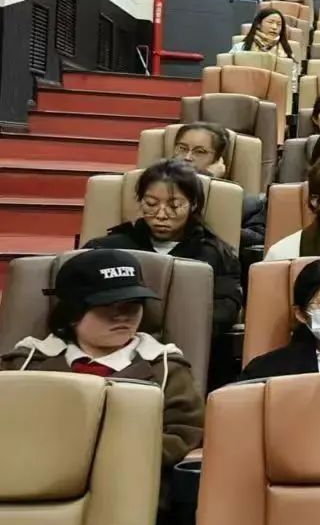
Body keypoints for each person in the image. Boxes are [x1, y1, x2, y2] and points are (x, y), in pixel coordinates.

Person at [0, 249, 202, 466]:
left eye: (132, 305)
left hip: (130, 478)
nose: (122, 316)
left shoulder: (167, 369)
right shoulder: (24, 364)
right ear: (72, 314)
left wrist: (106, 457)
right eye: (106, 306)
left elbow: (183, 433)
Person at [85, 160, 242, 335]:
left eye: (174, 206)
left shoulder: (218, 255)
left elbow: (225, 311)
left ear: (194, 205)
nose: (161, 215)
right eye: (151, 204)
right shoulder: (104, 249)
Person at [171, 121, 266, 251]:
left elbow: (258, 240)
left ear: (218, 160)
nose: (187, 157)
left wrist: (208, 179)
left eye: (199, 151)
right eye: (182, 148)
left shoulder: (248, 203)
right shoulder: (152, 189)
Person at [230, 6, 296, 88]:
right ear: (258, 24)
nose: (274, 27)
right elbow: (229, 75)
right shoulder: (240, 48)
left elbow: (292, 85)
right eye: (270, 22)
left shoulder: (286, 52)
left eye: (279, 24)